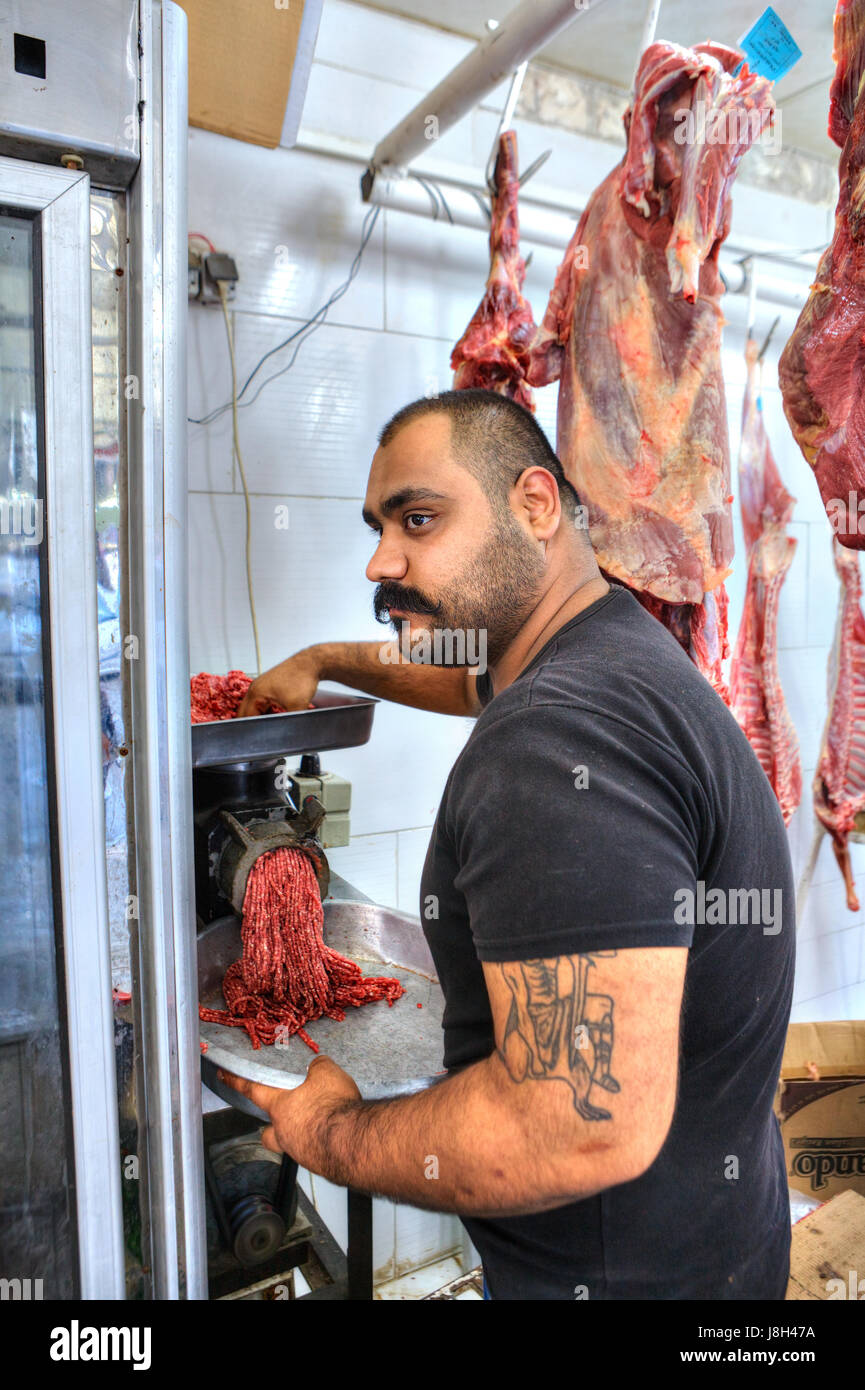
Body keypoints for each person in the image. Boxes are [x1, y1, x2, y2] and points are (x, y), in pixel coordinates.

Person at [223, 388, 795, 1300]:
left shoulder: (553, 738)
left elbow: (573, 1124)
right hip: (719, 1252)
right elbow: (467, 680)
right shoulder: (607, 651)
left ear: (534, 505)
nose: (380, 560)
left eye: (419, 518)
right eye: (379, 526)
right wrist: (324, 660)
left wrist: (330, 1131)